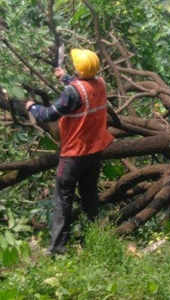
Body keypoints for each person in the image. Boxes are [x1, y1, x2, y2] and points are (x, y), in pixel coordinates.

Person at [25, 49, 114, 255]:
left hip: (73, 155)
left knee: (63, 199)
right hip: (94, 152)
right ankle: (94, 242)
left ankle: (57, 249)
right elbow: (82, 91)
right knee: (90, 197)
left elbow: (49, 114)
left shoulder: (72, 93)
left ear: (79, 69)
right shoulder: (100, 84)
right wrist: (64, 77)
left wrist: (32, 107)